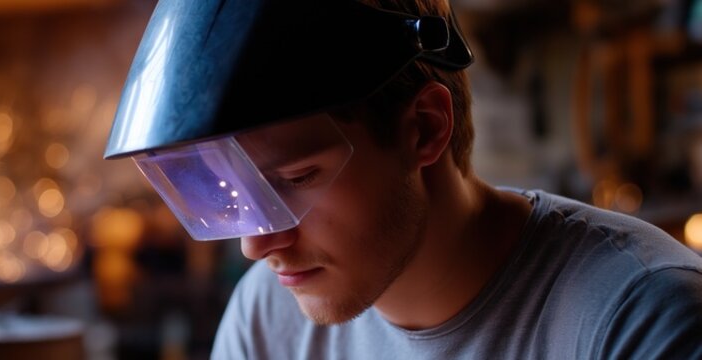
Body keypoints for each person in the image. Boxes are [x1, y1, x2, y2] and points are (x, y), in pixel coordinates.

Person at [103, 0, 702, 358]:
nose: (257, 245)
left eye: (292, 178)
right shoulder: (269, 319)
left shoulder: (637, 320)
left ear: (424, 129)